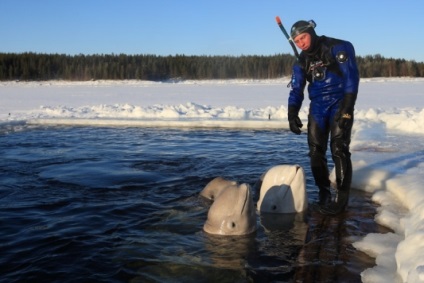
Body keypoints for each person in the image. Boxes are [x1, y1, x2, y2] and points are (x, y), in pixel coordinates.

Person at [286, 20, 360, 215]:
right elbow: (296, 89)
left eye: (303, 37)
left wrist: (347, 109)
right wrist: (292, 113)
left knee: (339, 148)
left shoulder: (338, 47)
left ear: (311, 32)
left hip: (339, 102)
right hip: (318, 107)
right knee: (315, 151)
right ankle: (323, 192)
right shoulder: (301, 61)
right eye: (296, 41)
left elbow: (352, 78)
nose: (300, 43)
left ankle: (341, 201)